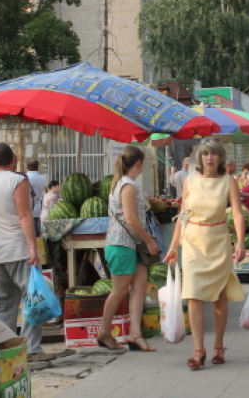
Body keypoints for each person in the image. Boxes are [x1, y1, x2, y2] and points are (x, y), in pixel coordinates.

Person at [164, 139, 246, 370]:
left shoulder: (228, 182)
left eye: (214, 154)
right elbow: (183, 215)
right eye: (206, 154)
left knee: (219, 296)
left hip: (218, 240)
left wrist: (240, 241)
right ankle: (198, 349)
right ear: (199, 158)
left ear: (220, 158)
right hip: (193, 242)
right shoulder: (190, 181)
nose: (210, 158)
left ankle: (218, 345)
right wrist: (173, 247)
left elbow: (237, 214)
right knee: (193, 294)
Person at [0, 143, 56, 362]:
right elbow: (24, 215)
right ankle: (31, 350)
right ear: (12, 159)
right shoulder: (17, 181)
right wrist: (32, 246)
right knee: (34, 299)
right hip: (18, 250)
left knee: (4, 304)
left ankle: (4, 351)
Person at [99, 146, 159, 351]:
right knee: (120, 290)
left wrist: (143, 238)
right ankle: (104, 332)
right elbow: (131, 219)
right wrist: (148, 241)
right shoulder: (127, 185)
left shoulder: (124, 183)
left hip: (132, 244)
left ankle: (135, 334)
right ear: (139, 163)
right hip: (121, 244)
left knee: (139, 287)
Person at [26, 158, 46, 236]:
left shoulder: (25, 178)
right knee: (38, 234)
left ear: (27, 167)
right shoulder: (42, 178)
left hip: (28, 208)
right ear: (37, 167)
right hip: (38, 208)